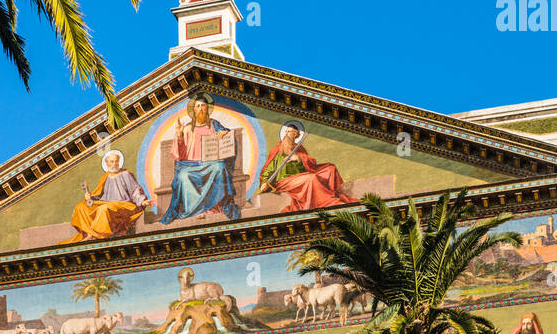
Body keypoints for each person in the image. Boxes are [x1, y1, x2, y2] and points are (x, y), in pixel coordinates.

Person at [161, 93, 240, 224]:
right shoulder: (186, 128)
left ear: (207, 109)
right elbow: (178, 154)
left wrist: (223, 132)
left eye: (203, 106)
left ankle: (214, 207)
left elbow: (226, 133)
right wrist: (180, 135)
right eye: (198, 106)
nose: (201, 108)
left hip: (210, 162)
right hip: (191, 165)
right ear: (194, 110)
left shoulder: (214, 124)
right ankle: (195, 210)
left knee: (220, 167)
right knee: (182, 176)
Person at [258, 123, 353, 213]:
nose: (286, 134)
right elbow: (268, 170)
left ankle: (335, 195)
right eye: (286, 132)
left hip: (301, 176)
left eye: (289, 132)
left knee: (330, 169)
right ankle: (328, 202)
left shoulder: (299, 149)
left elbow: (311, 165)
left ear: (295, 134)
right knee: (311, 178)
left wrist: (299, 158)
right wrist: (264, 183)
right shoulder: (278, 150)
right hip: (285, 181)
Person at [67, 149, 152, 240]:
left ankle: (96, 235)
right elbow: (99, 195)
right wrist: (90, 197)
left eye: (116, 161)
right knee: (81, 207)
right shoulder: (105, 178)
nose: (114, 164)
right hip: (107, 203)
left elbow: (135, 191)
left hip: (124, 205)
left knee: (103, 209)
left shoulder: (125, 174)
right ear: (107, 163)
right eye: (112, 161)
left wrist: (142, 201)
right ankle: (89, 233)